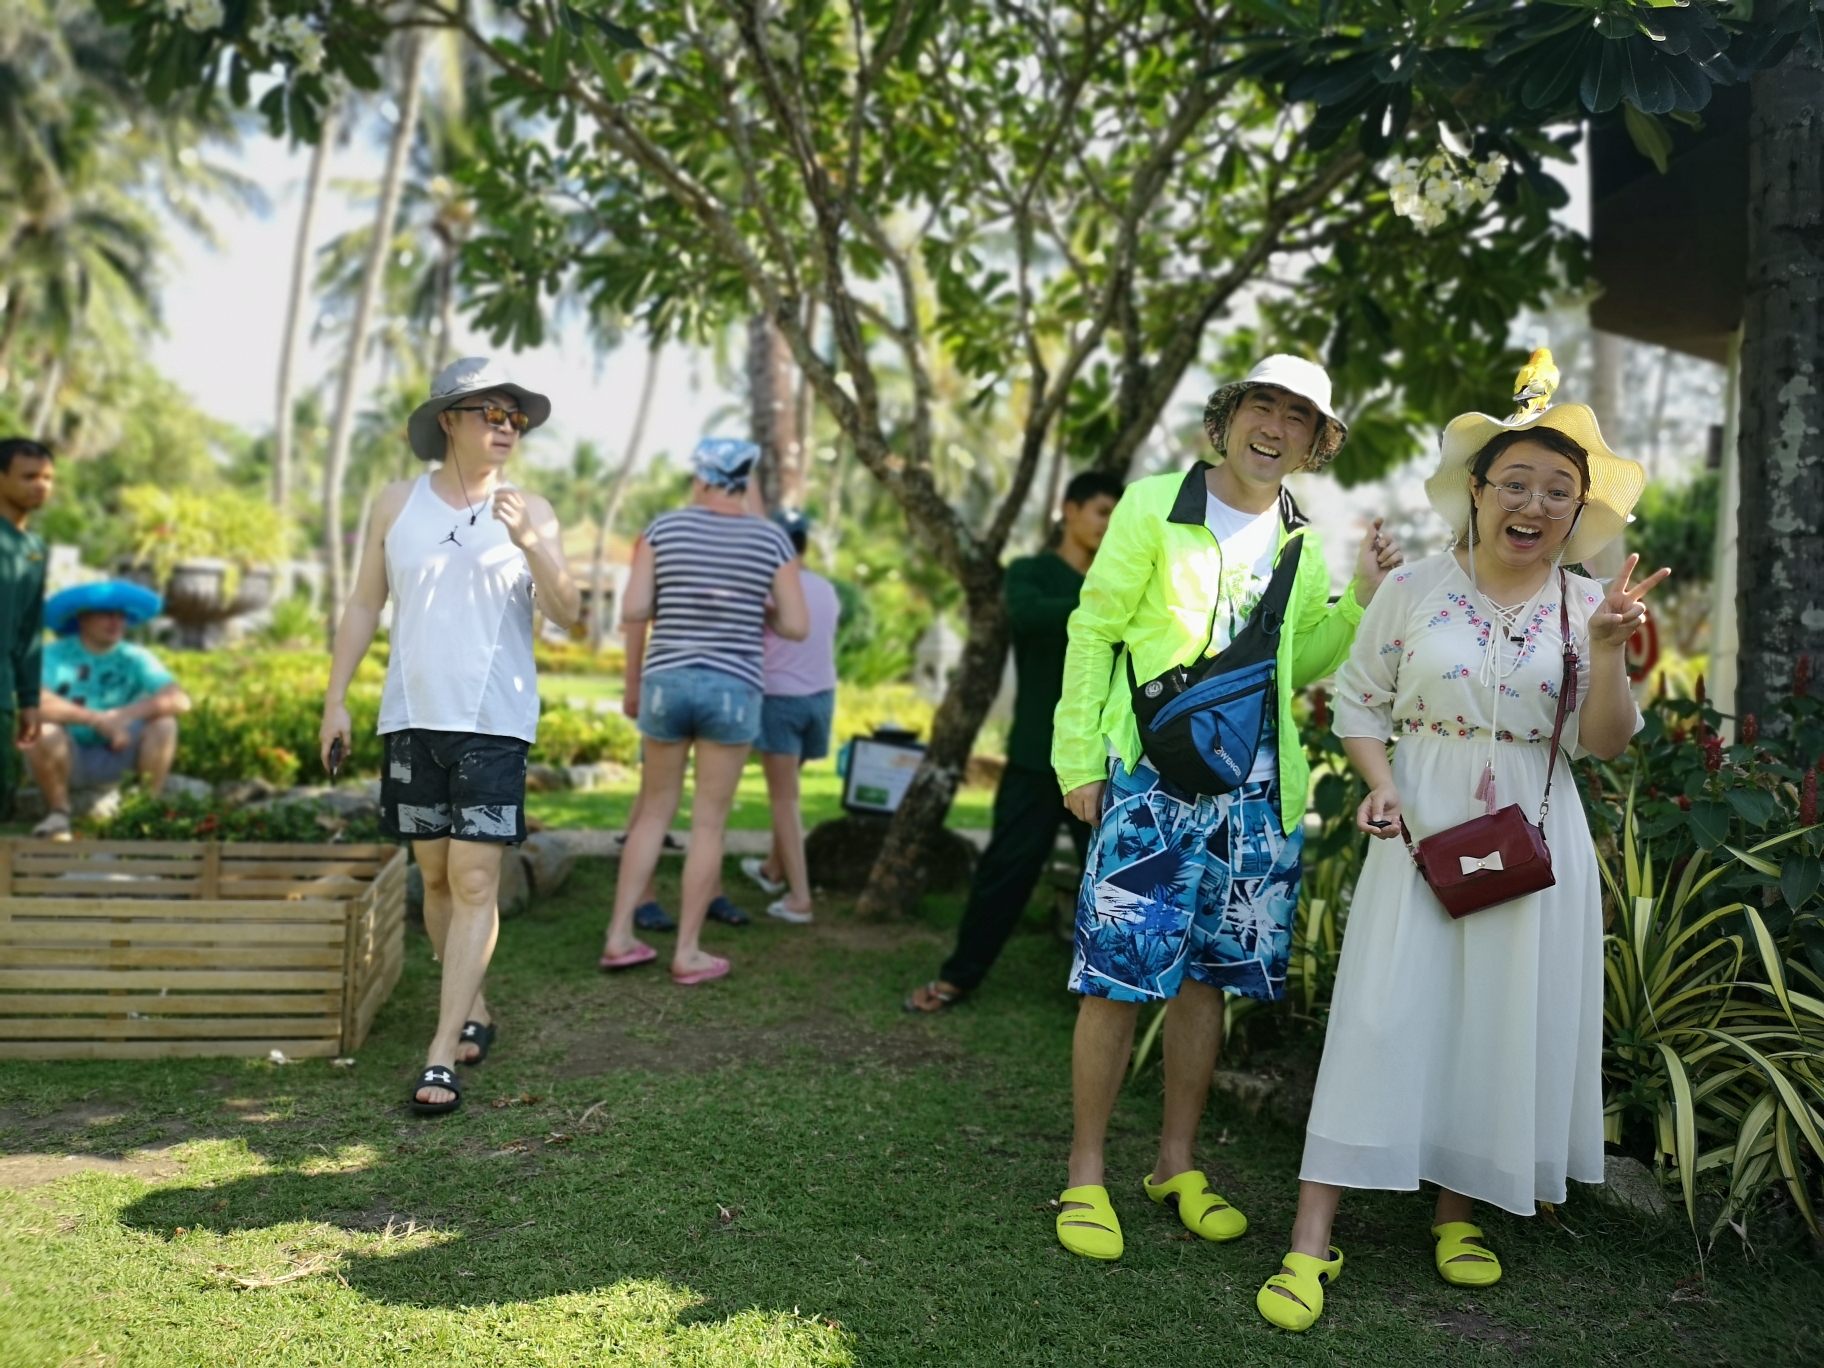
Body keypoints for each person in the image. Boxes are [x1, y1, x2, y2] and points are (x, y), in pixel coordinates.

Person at [1255, 360, 1663, 1332]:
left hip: (1531, 827)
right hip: (1423, 825)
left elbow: (1604, 743)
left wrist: (1607, 652)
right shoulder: (1413, 589)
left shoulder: (1584, 605)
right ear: (1477, 491)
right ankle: (1313, 1236)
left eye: (1559, 491)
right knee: (1381, 1014)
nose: (1535, 503)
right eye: (1515, 482)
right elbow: (1358, 700)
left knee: (1497, 1015)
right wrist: (1383, 785)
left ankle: (1459, 1210)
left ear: (1578, 511)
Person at [1049, 354, 1403, 1261]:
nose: (1275, 428)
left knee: (1207, 979)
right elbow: (1093, 630)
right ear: (1229, 415)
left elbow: (1302, 662)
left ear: (1317, 443)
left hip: (1255, 798)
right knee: (1117, 978)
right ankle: (1085, 1175)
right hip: (1151, 785)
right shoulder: (1152, 507)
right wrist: (1078, 760)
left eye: (1299, 419)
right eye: (1262, 407)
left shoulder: (1298, 536)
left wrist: (1359, 593)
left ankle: (1175, 1163)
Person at [319, 357, 578, 1117]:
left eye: (516, 419)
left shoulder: (532, 507)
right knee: (434, 882)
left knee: (472, 883)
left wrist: (532, 539)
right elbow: (365, 605)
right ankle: (477, 1004)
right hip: (410, 719)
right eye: (491, 414)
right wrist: (335, 700)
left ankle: (442, 1052)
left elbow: (567, 612)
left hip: (495, 723)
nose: (506, 428)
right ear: (450, 421)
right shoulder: (395, 503)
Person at [903, 470, 1124, 1013]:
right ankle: (958, 977)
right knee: (1005, 872)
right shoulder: (1032, 574)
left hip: (1106, 760)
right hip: (1036, 755)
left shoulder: (1122, 577)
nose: (1109, 523)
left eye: (1117, 514)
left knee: (1115, 881)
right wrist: (1112, 610)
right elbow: (1027, 617)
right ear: (1069, 511)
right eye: (1101, 511)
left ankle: (1108, 995)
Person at [598, 438, 808, 985]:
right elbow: (797, 625)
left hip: (666, 682)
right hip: (733, 688)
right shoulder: (772, 540)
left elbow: (634, 609)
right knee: (708, 822)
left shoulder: (663, 529)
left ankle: (620, 935)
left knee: (653, 812)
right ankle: (687, 951)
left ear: (702, 477)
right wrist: (753, 603)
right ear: (745, 481)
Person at [739, 509, 841, 925]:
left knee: (785, 799)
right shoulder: (826, 588)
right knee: (790, 789)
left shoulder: (766, 589)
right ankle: (772, 870)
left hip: (779, 701)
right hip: (820, 700)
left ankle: (799, 898)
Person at [25, 582, 189, 837]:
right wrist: (96, 720)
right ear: (82, 618)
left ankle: (146, 813)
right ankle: (59, 814)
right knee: (40, 729)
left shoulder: (136, 657)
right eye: (106, 614)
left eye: (121, 615)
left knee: (165, 723)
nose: (115, 622)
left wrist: (122, 717)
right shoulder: (53, 655)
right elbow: (32, 702)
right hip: (68, 754)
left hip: (120, 753)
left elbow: (180, 700)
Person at [0, 438, 51, 815]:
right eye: (29, 476)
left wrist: (29, 700)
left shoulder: (35, 548)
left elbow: (30, 630)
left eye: (48, 477)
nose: (41, 485)